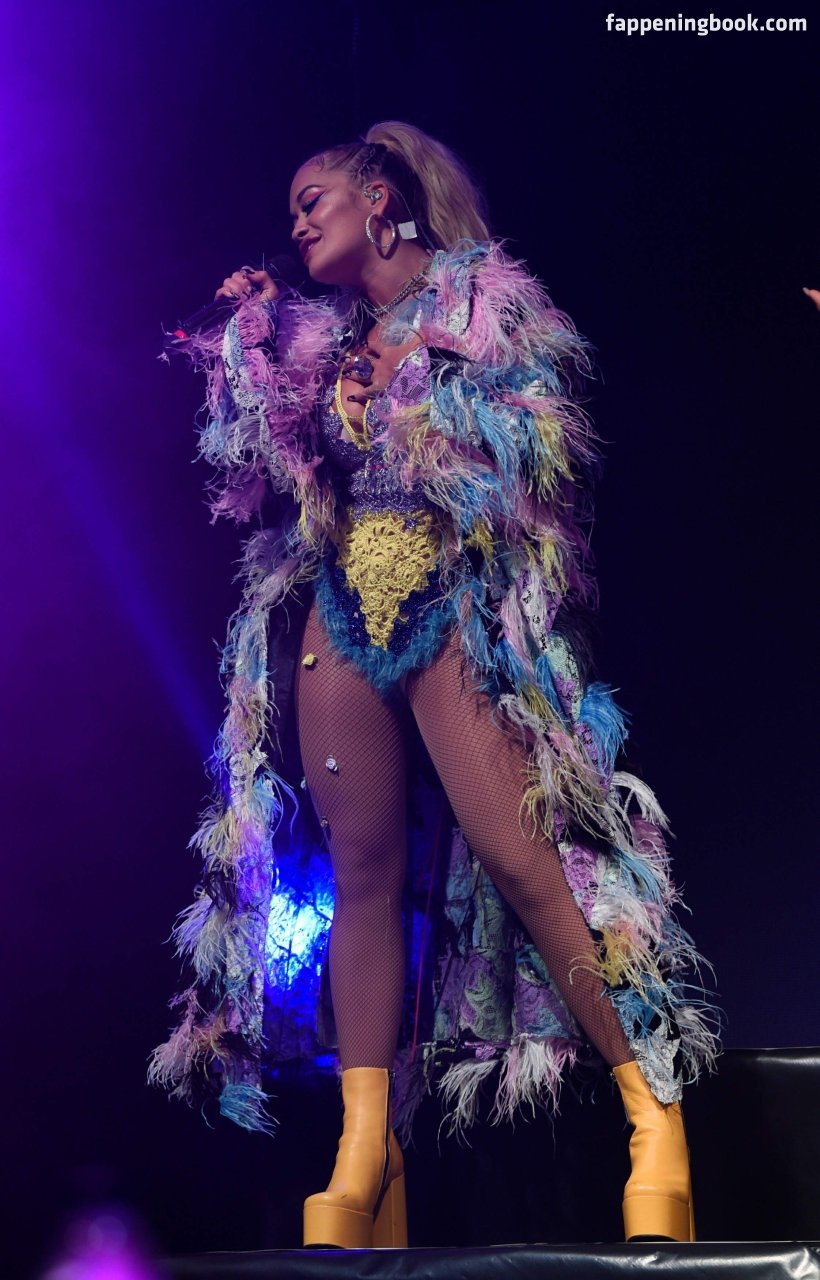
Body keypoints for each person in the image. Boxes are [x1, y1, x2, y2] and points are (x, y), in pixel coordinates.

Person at [150, 121, 720, 1249]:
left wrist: (416, 403)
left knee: (520, 851)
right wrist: (249, 347)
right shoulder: (322, 342)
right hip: (342, 603)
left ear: (379, 197)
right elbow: (261, 472)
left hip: (454, 595)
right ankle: (367, 1148)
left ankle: (653, 1114)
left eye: (314, 197)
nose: (297, 220)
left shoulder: (483, 302)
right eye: (292, 208)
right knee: (358, 871)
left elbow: (546, 447)